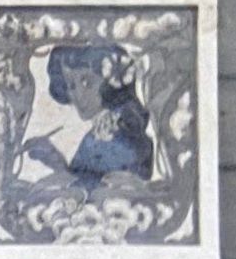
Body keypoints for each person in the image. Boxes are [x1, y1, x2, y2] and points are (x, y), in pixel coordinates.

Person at [20, 43, 154, 192]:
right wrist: (54, 159)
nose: (78, 95)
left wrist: (58, 167)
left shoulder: (122, 135)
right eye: (71, 85)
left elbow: (91, 190)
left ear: (110, 82)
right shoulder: (99, 134)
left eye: (87, 82)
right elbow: (83, 180)